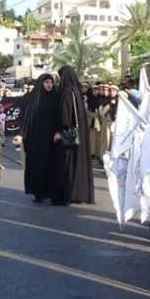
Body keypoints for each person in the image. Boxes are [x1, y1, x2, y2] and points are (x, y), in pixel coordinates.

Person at [22, 73, 64, 204]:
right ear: (41, 83)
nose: (49, 85)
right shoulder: (34, 99)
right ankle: (38, 192)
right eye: (46, 82)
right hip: (35, 139)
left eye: (51, 82)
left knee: (51, 165)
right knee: (36, 165)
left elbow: (60, 117)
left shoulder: (56, 98)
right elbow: (27, 118)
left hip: (51, 139)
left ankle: (49, 191)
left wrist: (58, 131)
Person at [58, 66, 94, 205]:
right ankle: (80, 193)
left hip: (70, 135)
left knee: (69, 164)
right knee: (80, 163)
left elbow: (66, 117)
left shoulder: (67, 92)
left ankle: (71, 192)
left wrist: (61, 130)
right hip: (80, 135)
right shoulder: (77, 91)